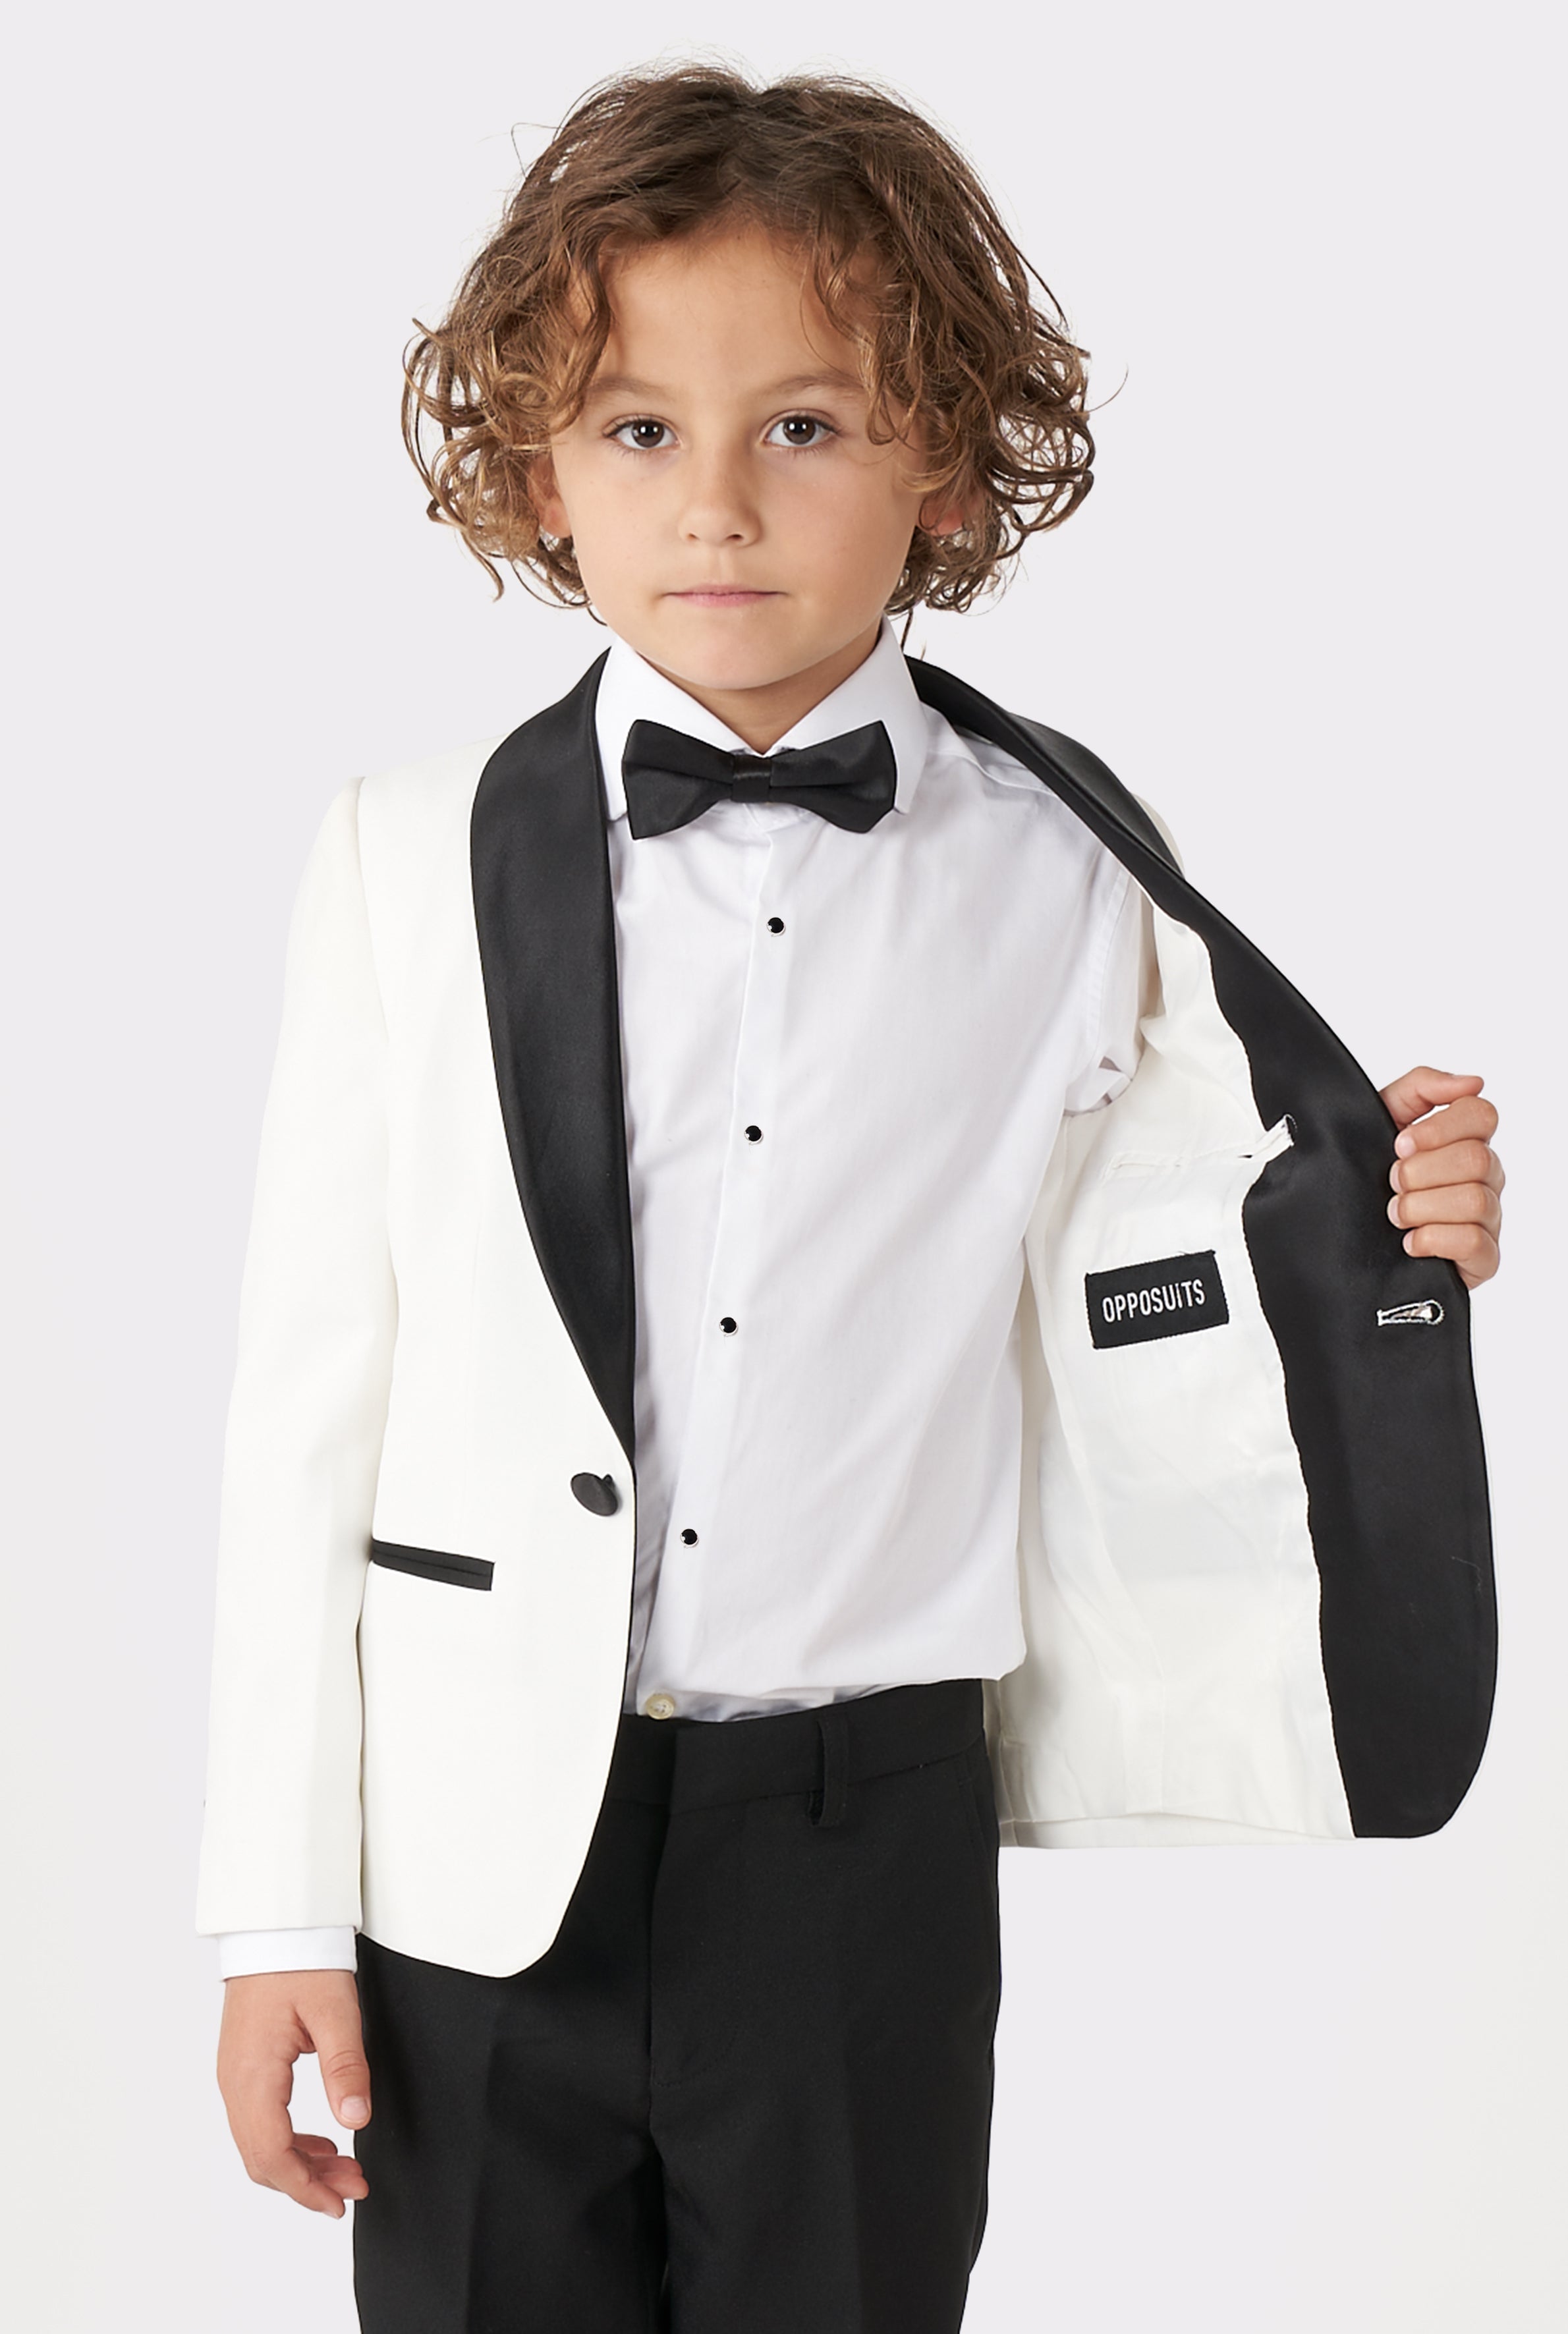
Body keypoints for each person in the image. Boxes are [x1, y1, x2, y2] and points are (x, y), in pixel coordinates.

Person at [198, 62, 1505, 2334]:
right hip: (469, 1855)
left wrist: (1402, 1223)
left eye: (802, 425)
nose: (715, 504)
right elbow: (309, 1400)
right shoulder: (400, 850)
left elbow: (1194, 1238)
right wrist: (273, 1910)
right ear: (541, 472)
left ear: (944, 466)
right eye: (638, 429)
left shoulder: (1064, 869)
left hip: (859, 1846)